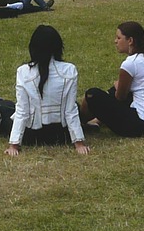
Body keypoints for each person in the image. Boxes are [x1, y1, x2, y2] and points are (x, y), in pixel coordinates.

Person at [5, 25, 90, 156]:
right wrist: (78, 142)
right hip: (61, 135)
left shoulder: (23, 72)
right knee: (75, 106)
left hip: (32, 136)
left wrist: (14, 145)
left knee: (6, 110)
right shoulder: (69, 70)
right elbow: (70, 110)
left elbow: (22, 111)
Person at [82, 21, 144, 137]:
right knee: (116, 89)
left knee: (92, 94)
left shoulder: (130, 63)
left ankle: (79, 122)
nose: (115, 41)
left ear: (130, 41)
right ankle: (96, 120)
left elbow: (120, 97)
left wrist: (118, 87)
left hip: (143, 124)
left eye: (119, 38)